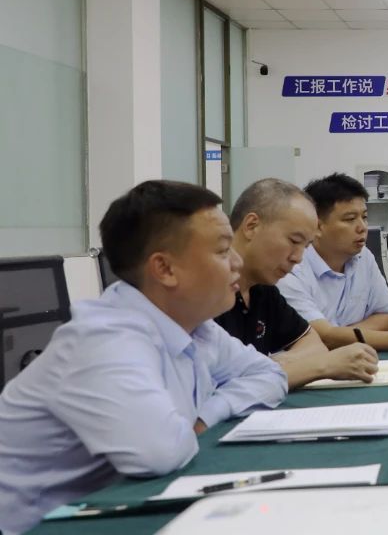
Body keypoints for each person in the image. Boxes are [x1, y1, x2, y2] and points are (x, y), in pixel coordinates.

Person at [0, 181, 288, 533]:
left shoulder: (195, 325)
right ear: (165, 269)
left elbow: (270, 376)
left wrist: (205, 415)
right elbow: (161, 451)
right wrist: (200, 419)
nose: (237, 262)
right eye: (223, 250)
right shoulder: (105, 339)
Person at [219, 178, 379, 390]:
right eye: (294, 241)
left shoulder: (263, 289)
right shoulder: (207, 294)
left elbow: (314, 345)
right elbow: (224, 383)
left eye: (305, 246)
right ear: (251, 226)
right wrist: (321, 366)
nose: (298, 258)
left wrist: (269, 367)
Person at [278, 173, 388, 351]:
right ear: (316, 226)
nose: (362, 227)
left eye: (364, 217)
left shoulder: (363, 256)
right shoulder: (289, 270)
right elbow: (320, 337)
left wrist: (339, 335)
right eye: (350, 219)